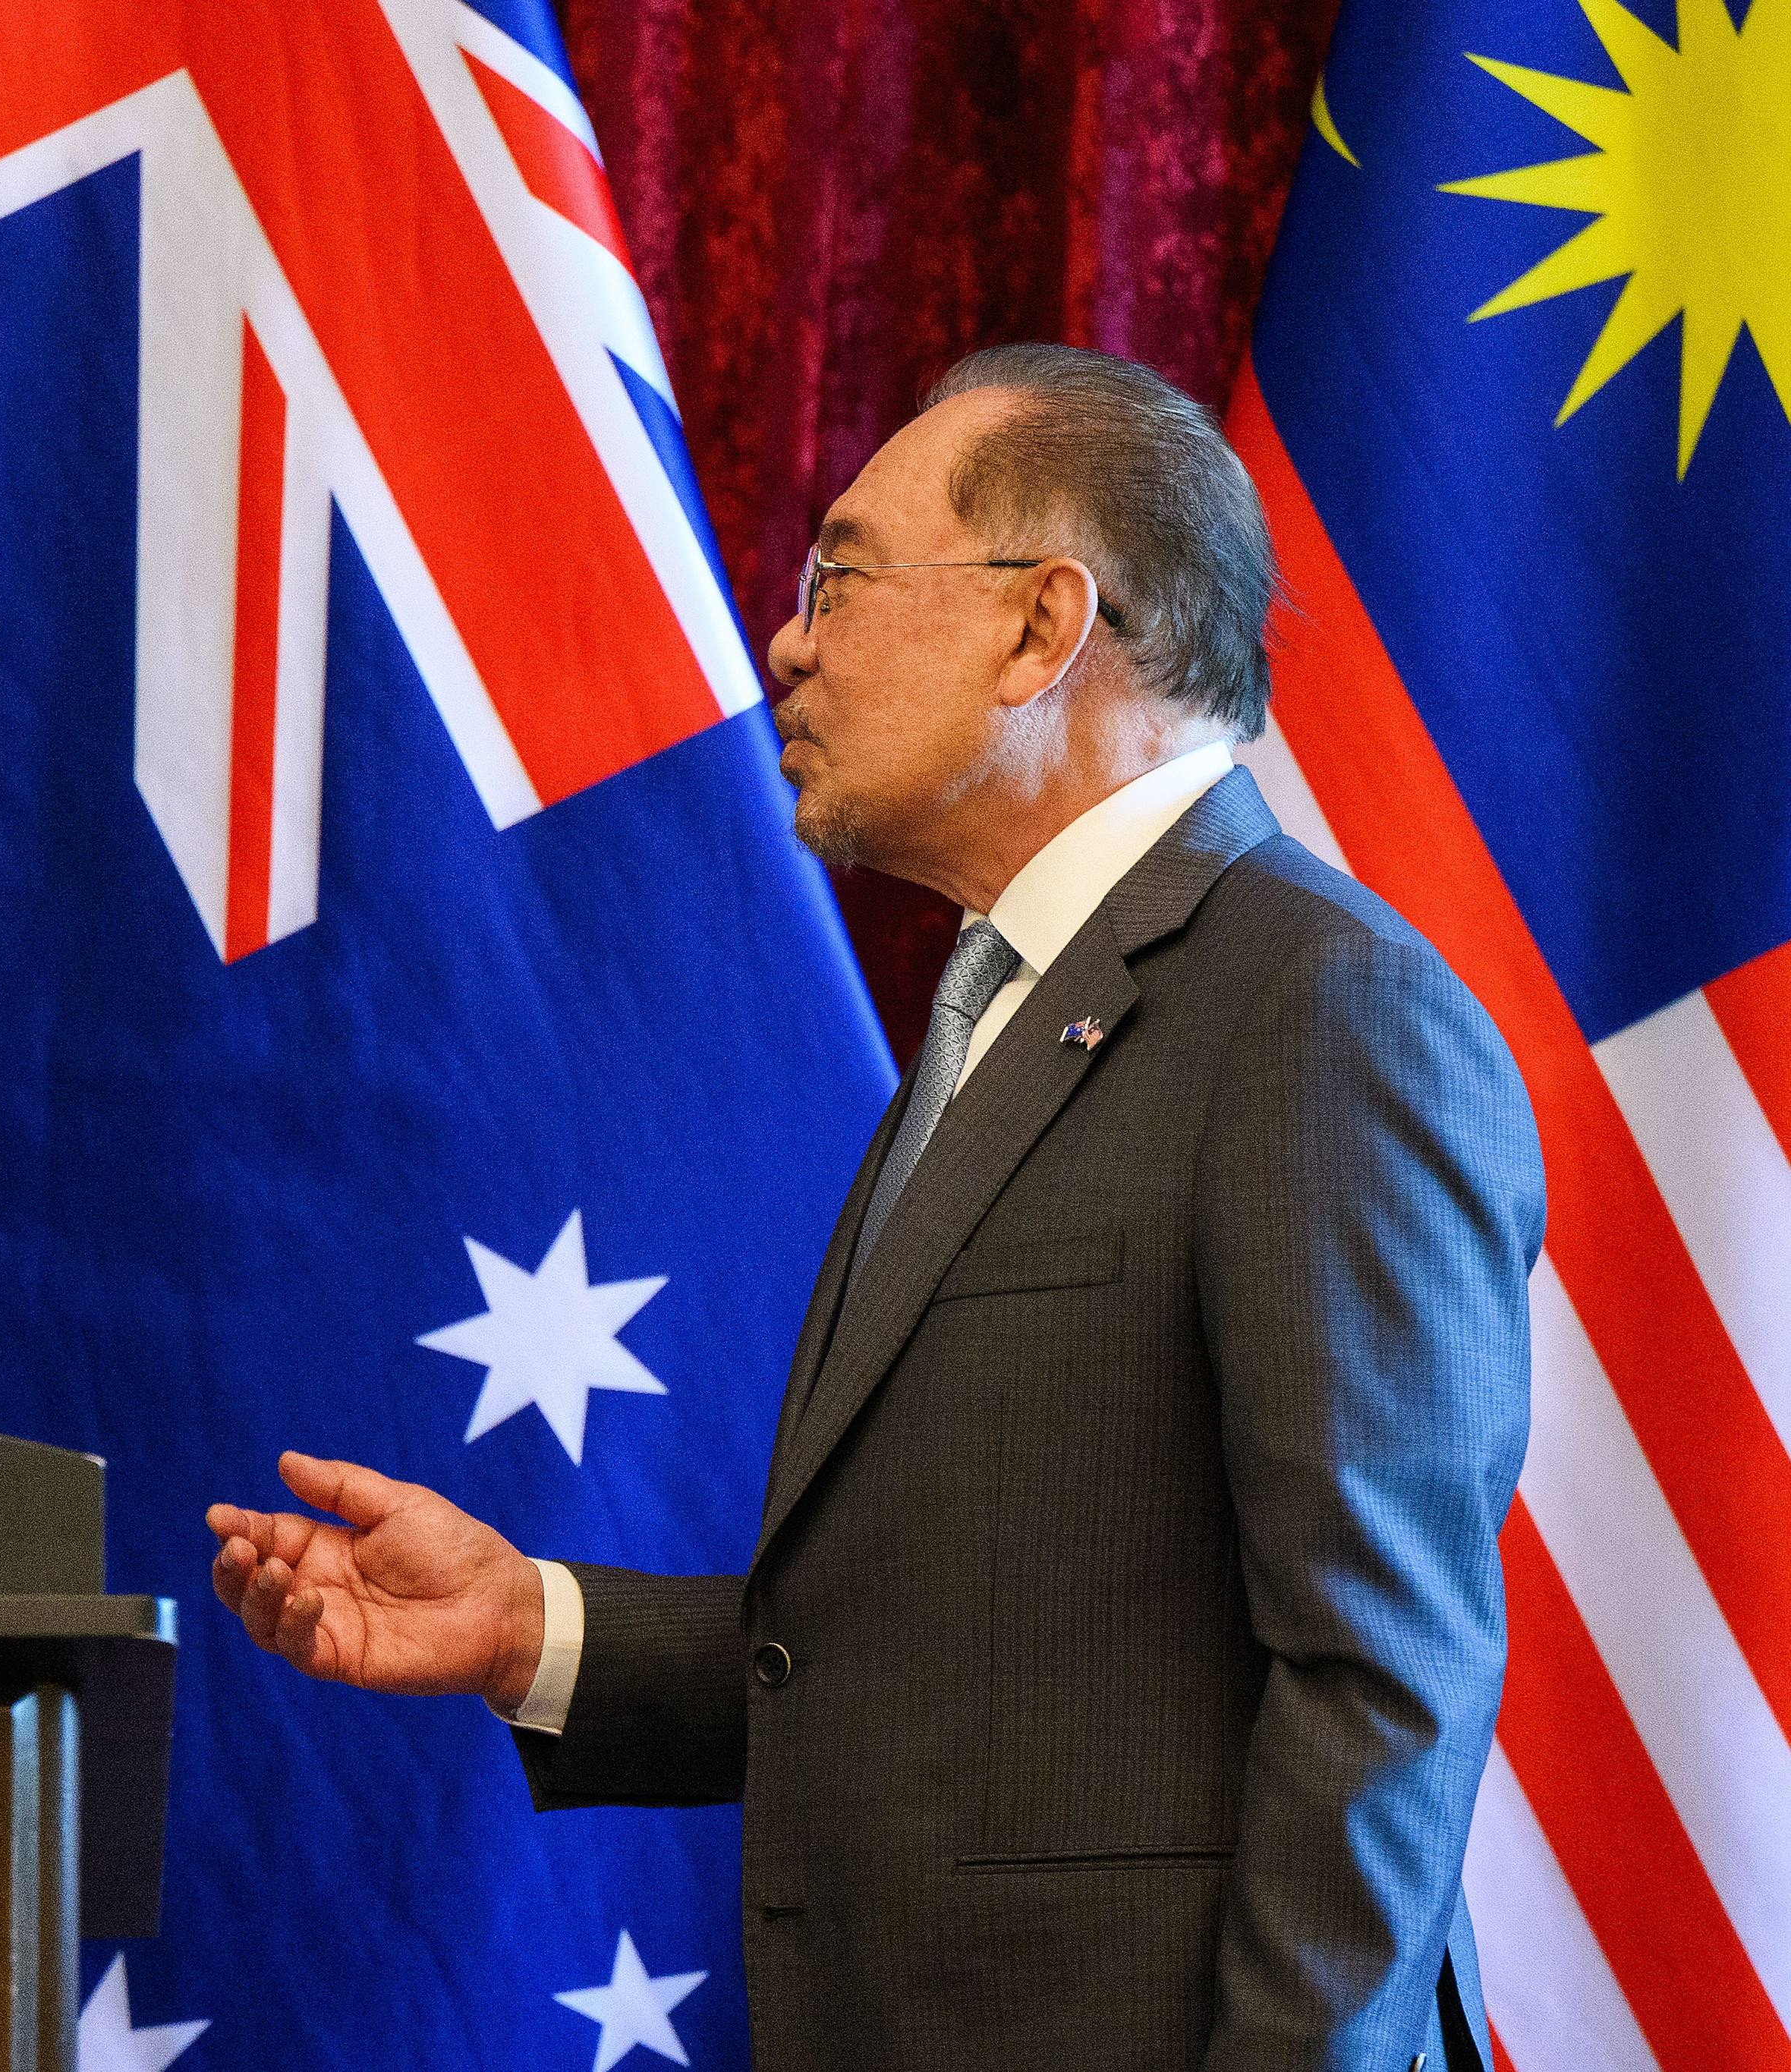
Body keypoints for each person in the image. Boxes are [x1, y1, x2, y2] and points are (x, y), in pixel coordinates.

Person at [205, 345, 1538, 2069]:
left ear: (1038, 625)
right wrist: (531, 1625)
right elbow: (962, 1662)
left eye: (839, 572)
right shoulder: (1002, 1008)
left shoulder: (1317, 1008)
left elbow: (1383, 1681)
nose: (789, 640)